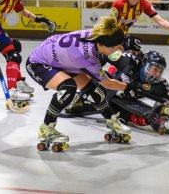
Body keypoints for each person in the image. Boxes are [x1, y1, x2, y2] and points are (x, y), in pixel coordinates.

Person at [26, 16, 138, 150]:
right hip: (38, 63)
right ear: (107, 47)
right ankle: (46, 129)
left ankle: (112, 121)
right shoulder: (88, 58)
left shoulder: (97, 33)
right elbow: (107, 83)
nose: (120, 49)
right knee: (68, 88)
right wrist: (128, 87)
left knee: (93, 89)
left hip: (59, 57)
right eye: (117, 47)